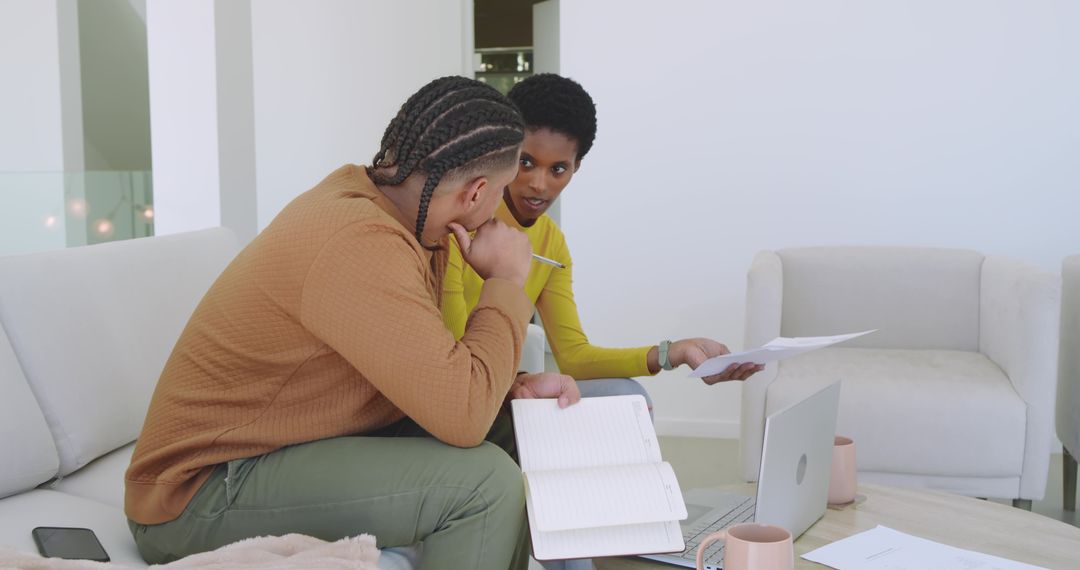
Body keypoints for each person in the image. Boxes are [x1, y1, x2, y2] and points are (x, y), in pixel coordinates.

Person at [124, 76, 580, 570]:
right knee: (484, 486)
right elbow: (464, 417)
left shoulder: (402, 214)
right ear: (476, 194)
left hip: (286, 447)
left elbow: (427, 364)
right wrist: (507, 281)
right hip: (196, 493)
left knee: (517, 428)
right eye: (503, 190)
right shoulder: (360, 242)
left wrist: (508, 388)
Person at [442, 73, 762, 407]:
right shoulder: (460, 227)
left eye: (558, 169)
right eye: (526, 162)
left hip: (501, 385)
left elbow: (574, 356)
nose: (539, 184)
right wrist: (519, 381)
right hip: (460, 392)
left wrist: (672, 353)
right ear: (505, 152)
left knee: (628, 396)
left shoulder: (552, 244)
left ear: (576, 167)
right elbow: (456, 356)